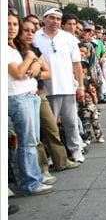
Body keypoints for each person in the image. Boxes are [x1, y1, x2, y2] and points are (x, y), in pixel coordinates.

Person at [20, 19, 80, 174]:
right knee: (33, 135)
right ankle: (42, 169)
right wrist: (31, 61)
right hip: (22, 96)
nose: (29, 34)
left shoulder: (34, 49)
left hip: (39, 93)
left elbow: (46, 72)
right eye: (25, 30)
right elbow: (19, 73)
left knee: (53, 129)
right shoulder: (15, 51)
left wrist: (36, 68)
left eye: (32, 31)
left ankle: (62, 160)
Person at [8, 9, 54, 195]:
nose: (11, 28)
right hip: (18, 97)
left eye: (14, 24)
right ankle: (30, 182)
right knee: (27, 141)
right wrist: (29, 58)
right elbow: (18, 73)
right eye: (8, 24)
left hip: (30, 94)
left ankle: (35, 176)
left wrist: (33, 62)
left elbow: (40, 70)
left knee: (32, 140)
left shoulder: (13, 46)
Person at [33, 7, 85, 163]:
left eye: (57, 19)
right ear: (44, 19)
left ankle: (76, 150)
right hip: (45, 88)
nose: (55, 21)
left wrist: (81, 86)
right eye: (51, 18)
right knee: (49, 126)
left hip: (67, 87)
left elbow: (77, 65)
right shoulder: (36, 37)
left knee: (71, 122)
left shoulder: (68, 38)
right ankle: (52, 154)